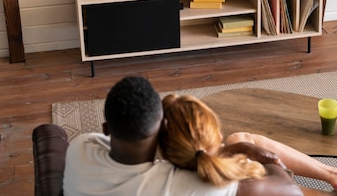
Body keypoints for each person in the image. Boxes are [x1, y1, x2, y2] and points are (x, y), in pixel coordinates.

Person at [63, 76, 306, 196]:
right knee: (242, 142)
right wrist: (246, 151)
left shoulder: (79, 149)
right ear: (163, 128)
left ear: (106, 128)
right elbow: (289, 190)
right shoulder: (193, 188)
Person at [159, 94, 337, 196]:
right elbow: (286, 187)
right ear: (216, 133)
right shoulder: (252, 187)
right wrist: (248, 151)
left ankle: (336, 176)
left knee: (239, 139)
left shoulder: (155, 178)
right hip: (282, 192)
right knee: (241, 140)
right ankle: (334, 182)